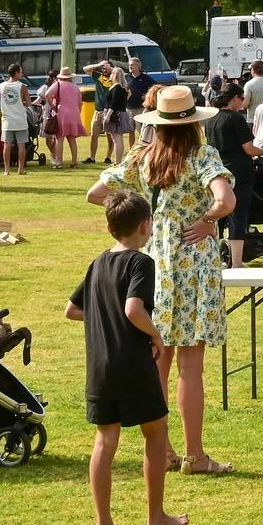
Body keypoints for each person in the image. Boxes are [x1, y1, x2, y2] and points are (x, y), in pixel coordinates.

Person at [88, 84, 235, 477]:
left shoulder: (142, 156)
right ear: (193, 123)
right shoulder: (202, 155)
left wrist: (146, 217)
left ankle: (164, 449)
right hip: (194, 265)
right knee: (191, 367)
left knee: (158, 360)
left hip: (154, 262)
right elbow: (226, 200)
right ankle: (195, 455)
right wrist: (206, 221)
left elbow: (96, 192)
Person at [68, 192, 187, 525]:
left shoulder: (98, 263)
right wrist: (157, 336)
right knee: (156, 431)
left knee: (106, 439)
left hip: (100, 367)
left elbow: (71, 309)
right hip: (132, 362)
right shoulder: (141, 262)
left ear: (109, 227)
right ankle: (156, 518)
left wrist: (103, 317)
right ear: (146, 225)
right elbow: (134, 309)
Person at [42, 67, 83, 169]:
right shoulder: (75, 87)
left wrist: (52, 105)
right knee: (72, 139)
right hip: (74, 114)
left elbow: (47, 94)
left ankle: (59, 162)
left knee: (59, 138)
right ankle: (74, 161)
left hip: (61, 113)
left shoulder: (58, 84)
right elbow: (80, 103)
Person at [0, 63, 31, 176]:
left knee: (7, 145)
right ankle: (20, 169)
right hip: (20, 119)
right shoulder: (22, 86)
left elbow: (1, 101)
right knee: (21, 145)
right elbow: (29, 103)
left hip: (7, 120)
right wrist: (22, 102)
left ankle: (7, 170)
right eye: (21, 72)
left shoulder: (1, 86)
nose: (22, 74)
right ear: (16, 73)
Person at [85, 62, 115, 165]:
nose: (104, 69)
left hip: (109, 111)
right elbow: (86, 69)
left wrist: (110, 68)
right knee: (94, 135)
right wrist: (98, 64)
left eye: (106, 68)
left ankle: (108, 157)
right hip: (98, 111)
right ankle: (92, 157)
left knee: (110, 136)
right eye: (103, 68)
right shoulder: (98, 77)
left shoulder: (114, 78)